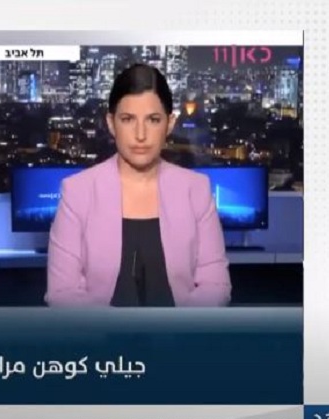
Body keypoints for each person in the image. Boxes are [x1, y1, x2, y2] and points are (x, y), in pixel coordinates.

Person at [45, 64, 231, 307]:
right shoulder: (77, 192)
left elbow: (216, 287)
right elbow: (62, 294)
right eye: (127, 119)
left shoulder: (195, 190)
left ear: (169, 124)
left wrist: (179, 327)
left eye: (153, 120)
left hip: (180, 331)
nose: (140, 134)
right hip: (100, 332)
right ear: (111, 123)